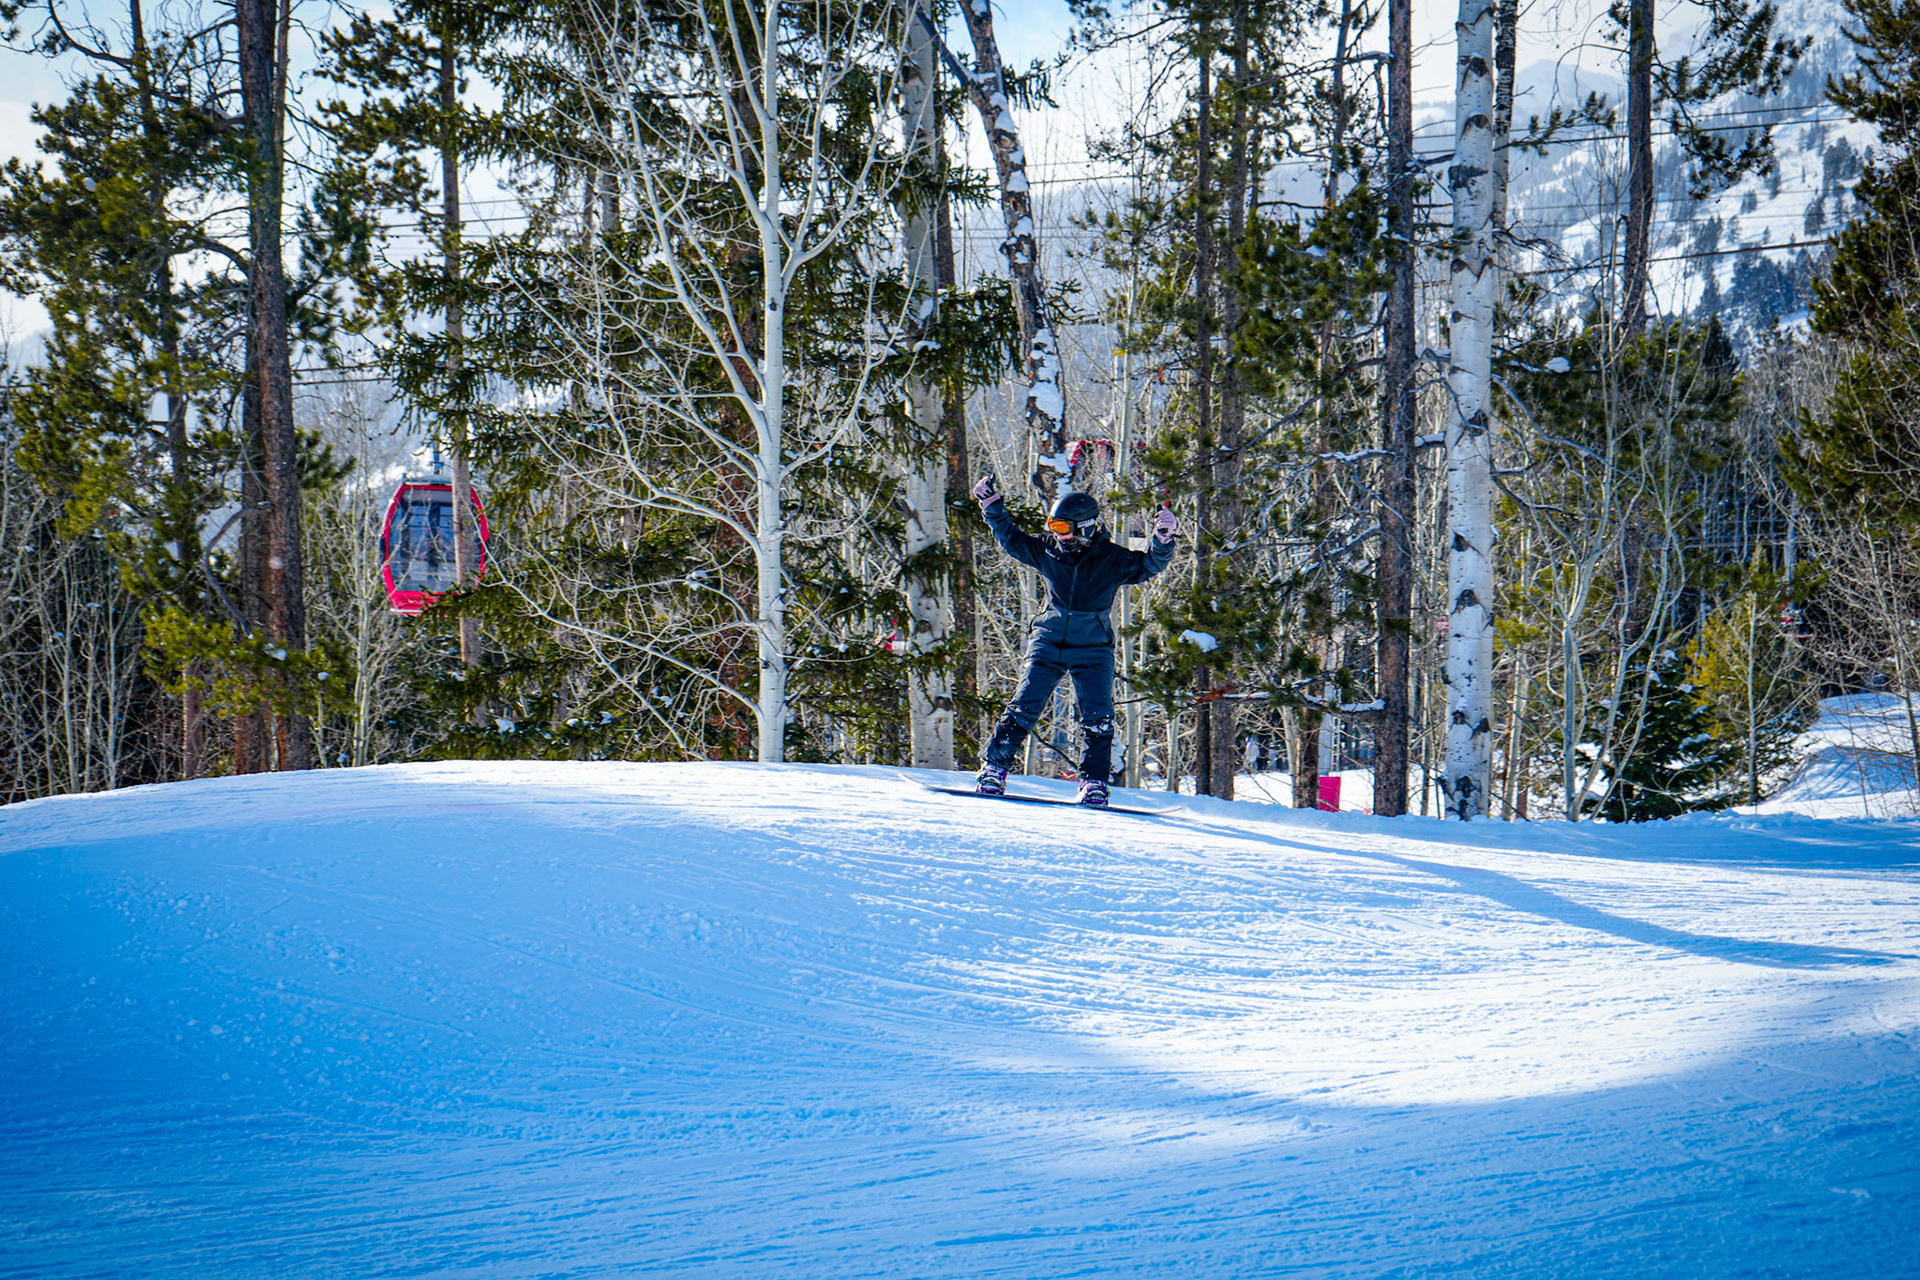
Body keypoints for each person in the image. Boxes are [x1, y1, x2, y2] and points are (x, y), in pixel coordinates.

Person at [970, 473, 1179, 806]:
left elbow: (1150, 565)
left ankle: (1093, 783)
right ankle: (993, 769)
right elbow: (1010, 538)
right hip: (1048, 641)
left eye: (1062, 528)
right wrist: (991, 504)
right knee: (1024, 705)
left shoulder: (1112, 559)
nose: (1057, 534)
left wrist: (1162, 541)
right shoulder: (1047, 550)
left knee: (1098, 718)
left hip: (1093, 648)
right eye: (1053, 526)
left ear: (1085, 526)